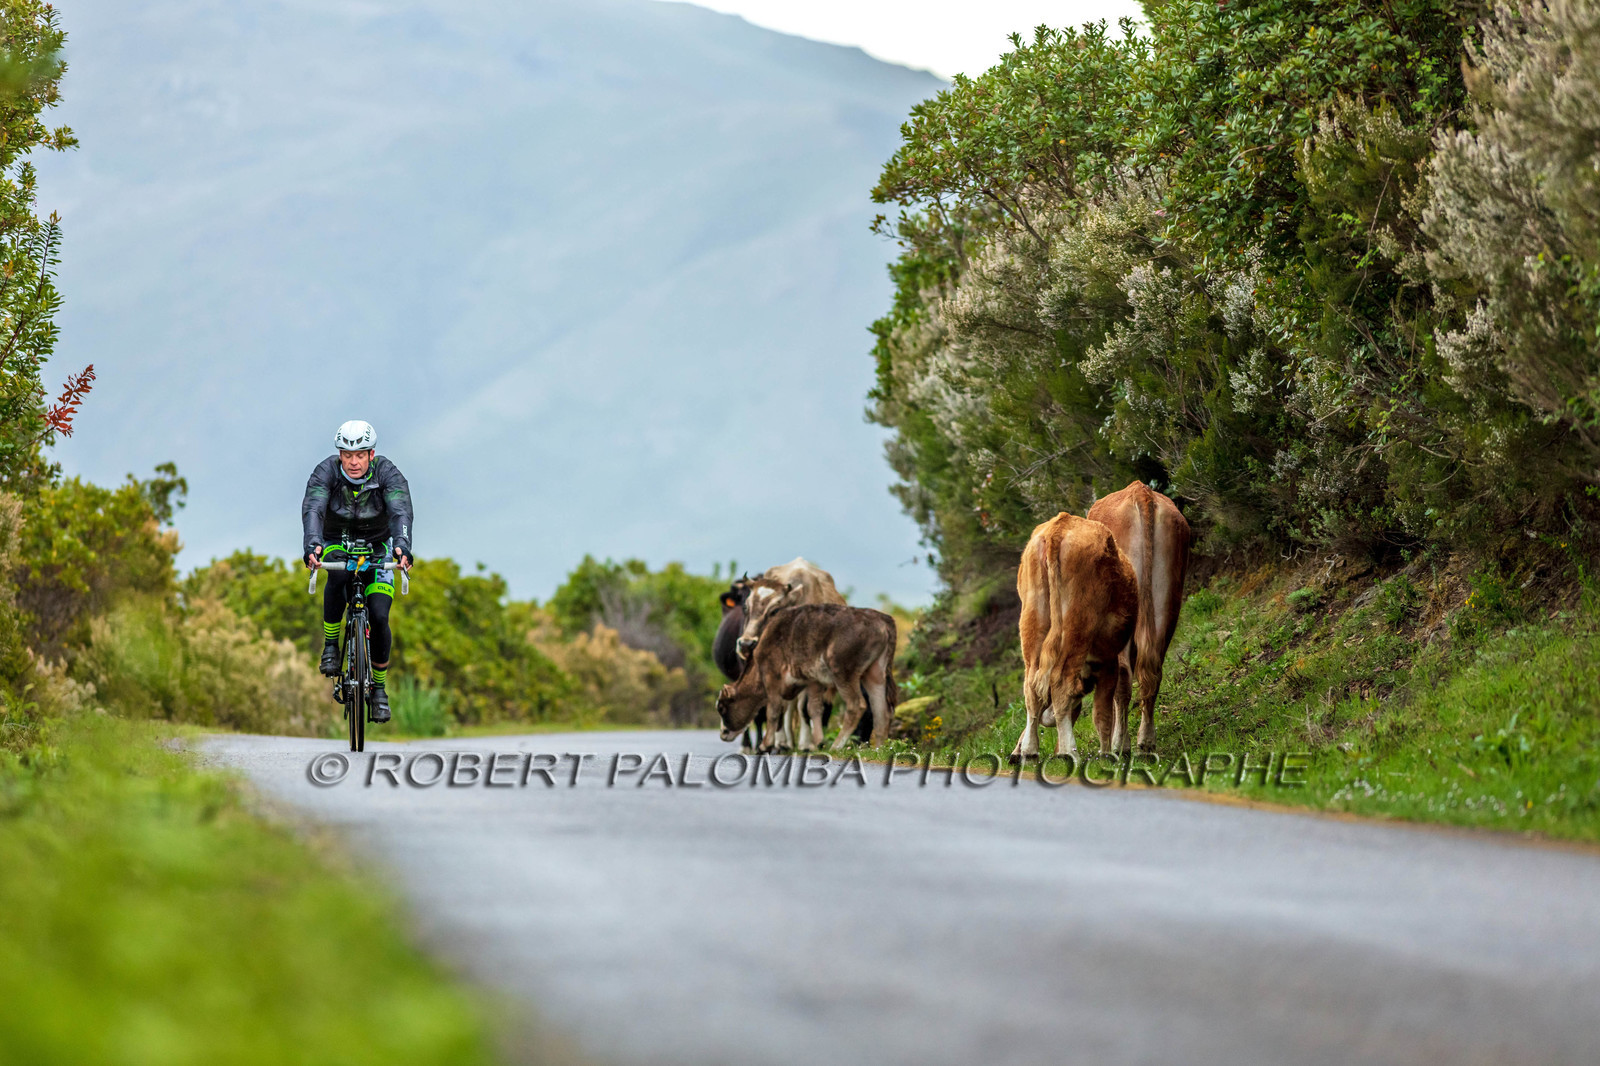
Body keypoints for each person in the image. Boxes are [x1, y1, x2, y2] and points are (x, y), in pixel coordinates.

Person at [302, 419, 414, 723]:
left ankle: (379, 691)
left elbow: (400, 509)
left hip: (377, 547)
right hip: (336, 541)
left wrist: (402, 545)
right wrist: (313, 545)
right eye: (347, 455)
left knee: (379, 615)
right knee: (337, 574)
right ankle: (330, 647)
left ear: (371, 454)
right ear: (340, 455)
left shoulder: (387, 473)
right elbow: (313, 509)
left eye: (360, 455)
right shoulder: (324, 472)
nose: (353, 462)